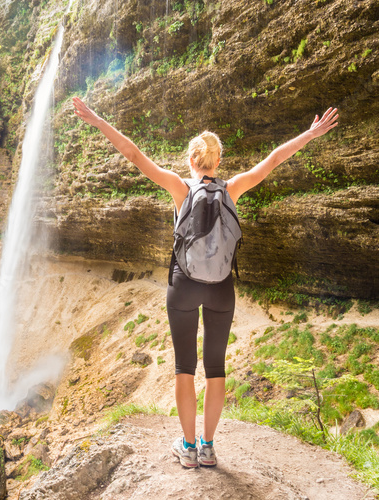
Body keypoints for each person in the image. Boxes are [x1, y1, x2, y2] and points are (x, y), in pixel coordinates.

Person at [72, 97, 339, 467]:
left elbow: (133, 155)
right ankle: (209, 446)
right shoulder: (233, 189)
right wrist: (310, 133)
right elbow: (275, 159)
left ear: (192, 162)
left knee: (185, 366)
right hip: (221, 288)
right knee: (215, 368)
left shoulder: (180, 189)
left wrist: (98, 120)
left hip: (183, 285)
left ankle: (187, 447)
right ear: (218, 162)